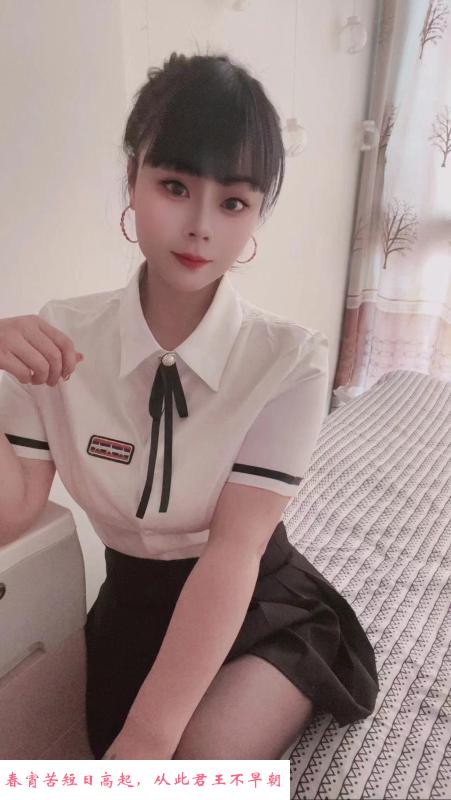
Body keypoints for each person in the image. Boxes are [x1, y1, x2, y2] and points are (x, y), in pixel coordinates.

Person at [0, 51, 379, 761]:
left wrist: (151, 734)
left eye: (233, 202)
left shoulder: (289, 359)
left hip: (255, 601)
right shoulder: (60, 338)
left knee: (195, 765)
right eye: (175, 186)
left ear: (256, 215)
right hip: (129, 607)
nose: (201, 226)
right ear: (132, 180)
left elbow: (234, 551)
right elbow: (12, 510)